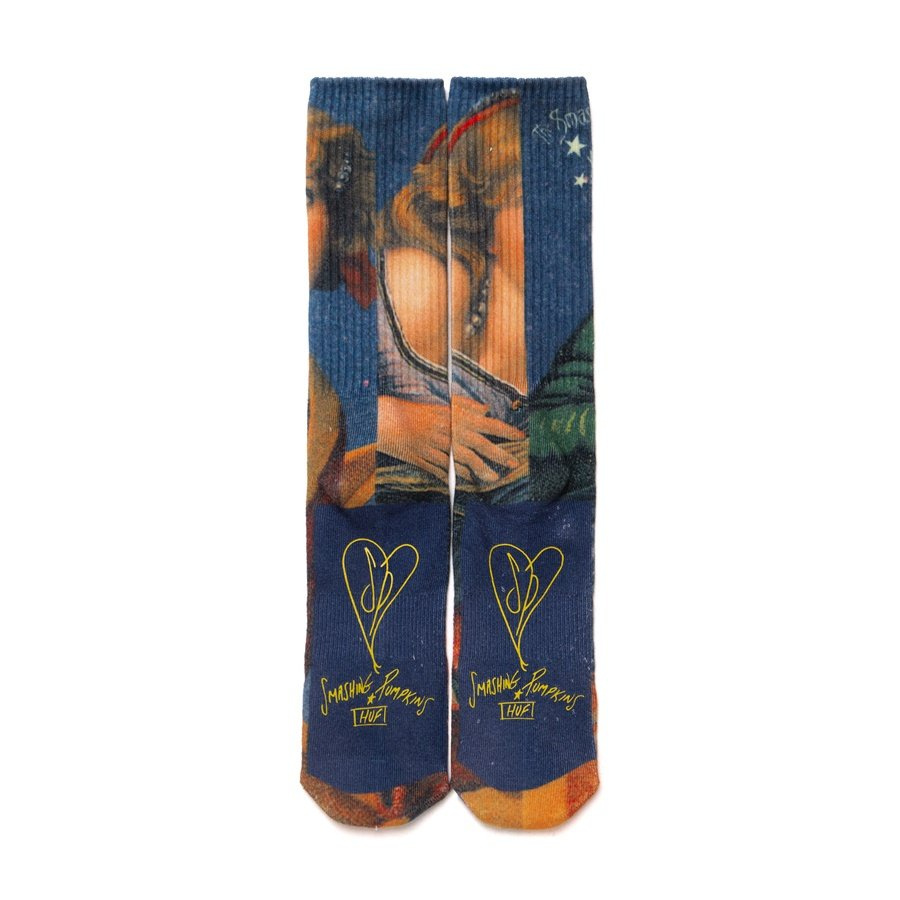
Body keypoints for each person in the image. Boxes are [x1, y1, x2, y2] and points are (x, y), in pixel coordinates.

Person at [377, 91, 529, 500]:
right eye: (522, 200)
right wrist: (391, 422)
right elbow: (317, 394)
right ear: (486, 221)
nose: (551, 229)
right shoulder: (420, 282)